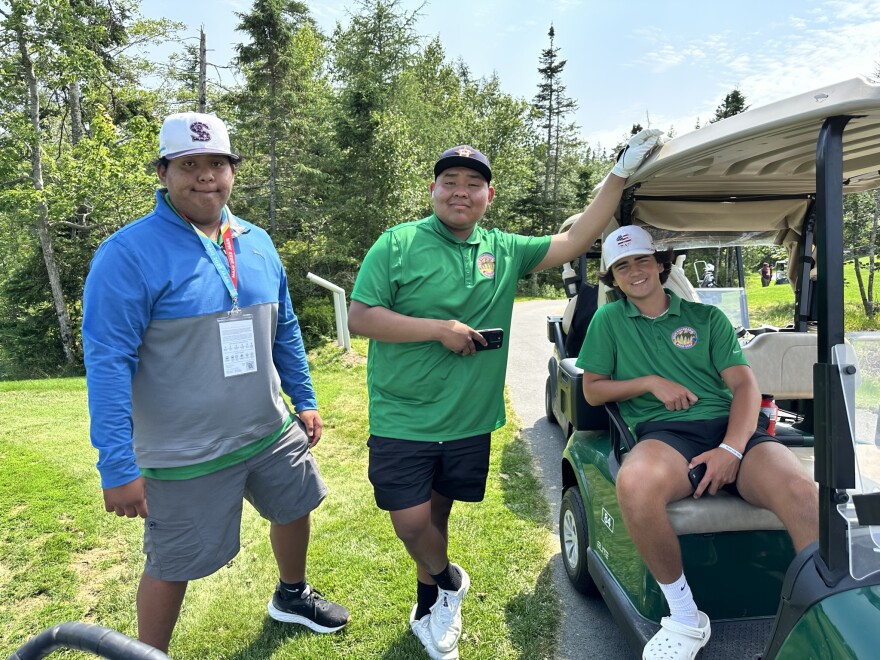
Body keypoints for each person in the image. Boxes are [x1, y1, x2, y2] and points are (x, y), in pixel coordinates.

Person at [347, 131, 664, 659]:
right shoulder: (397, 243)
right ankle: (447, 578)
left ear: (487, 197)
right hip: (400, 415)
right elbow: (361, 317)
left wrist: (620, 173)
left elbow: (578, 237)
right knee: (409, 520)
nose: (461, 192)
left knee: (438, 516)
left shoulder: (503, 249)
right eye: (450, 182)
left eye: (473, 184)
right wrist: (438, 329)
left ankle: (432, 603)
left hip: (467, 420)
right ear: (433, 189)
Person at [82, 112, 350, 653]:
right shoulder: (127, 254)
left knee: (295, 508)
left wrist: (306, 397)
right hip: (185, 452)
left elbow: (286, 327)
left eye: (217, 163)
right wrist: (116, 463)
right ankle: (150, 653)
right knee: (172, 561)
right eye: (189, 164)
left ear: (233, 171)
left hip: (270, 430)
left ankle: (291, 594)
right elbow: (108, 362)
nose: (205, 176)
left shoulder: (256, 241)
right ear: (163, 173)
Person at [577, 225, 819, 660]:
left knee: (803, 493)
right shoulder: (608, 321)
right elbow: (593, 389)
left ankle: (820, 615)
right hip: (666, 434)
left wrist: (730, 449)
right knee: (635, 484)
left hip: (732, 429)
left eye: (643, 260)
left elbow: (745, 388)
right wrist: (650, 383)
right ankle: (686, 617)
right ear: (614, 277)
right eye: (623, 266)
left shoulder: (706, 318)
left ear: (660, 264)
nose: (635, 272)